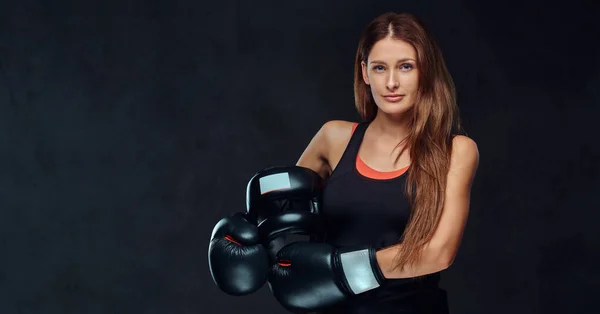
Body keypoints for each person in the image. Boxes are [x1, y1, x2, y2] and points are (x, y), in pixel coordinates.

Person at [266, 12, 480, 314]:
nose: (392, 82)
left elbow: (439, 253)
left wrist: (341, 269)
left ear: (425, 71)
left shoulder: (456, 150)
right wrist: (250, 240)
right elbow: (277, 216)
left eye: (406, 67)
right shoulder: (334, 138)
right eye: (380, 68)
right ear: (365, 73)